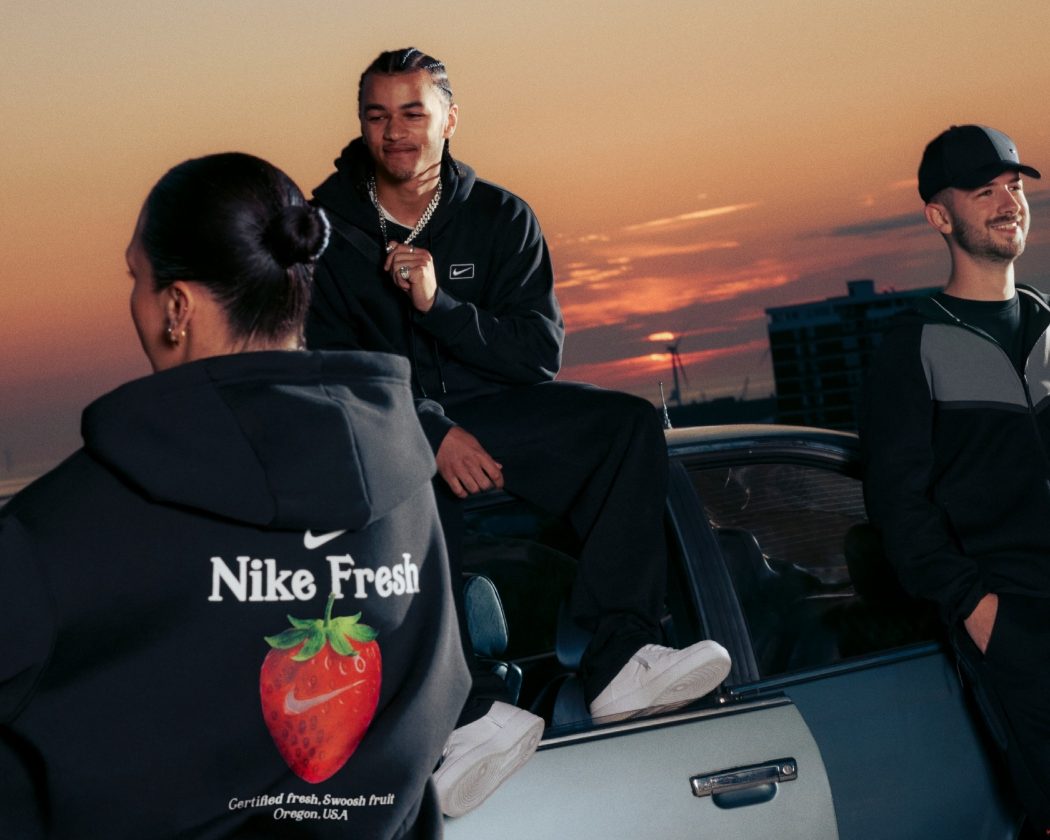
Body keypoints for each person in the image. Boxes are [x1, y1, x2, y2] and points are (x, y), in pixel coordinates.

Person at [306, 47, 732, 818]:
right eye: (378, 115)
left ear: (449, 120)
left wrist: (438, 306)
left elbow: (537, 355)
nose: (395, 131)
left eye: (413, 112)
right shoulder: (327, 233)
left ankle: (619, 661)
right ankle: (463, 717)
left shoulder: (501, 217)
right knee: (411, 486)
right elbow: (337, 370)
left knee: (628, 426)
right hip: (392, 425)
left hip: (501, 413)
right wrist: (431, 430)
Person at [0, 152, 469, 839]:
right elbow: (438, 691)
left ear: (177, 307)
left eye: (136, 278)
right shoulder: (403, 490)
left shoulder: (63, 523)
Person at [862, 124, 1050, 834]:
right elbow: (899, 509)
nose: (1009, 203)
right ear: (940, 217)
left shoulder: (1048, 323)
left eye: (1014, 186)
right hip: (1019, 624)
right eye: (983, 192)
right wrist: (979, 610)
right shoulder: (913, 347)